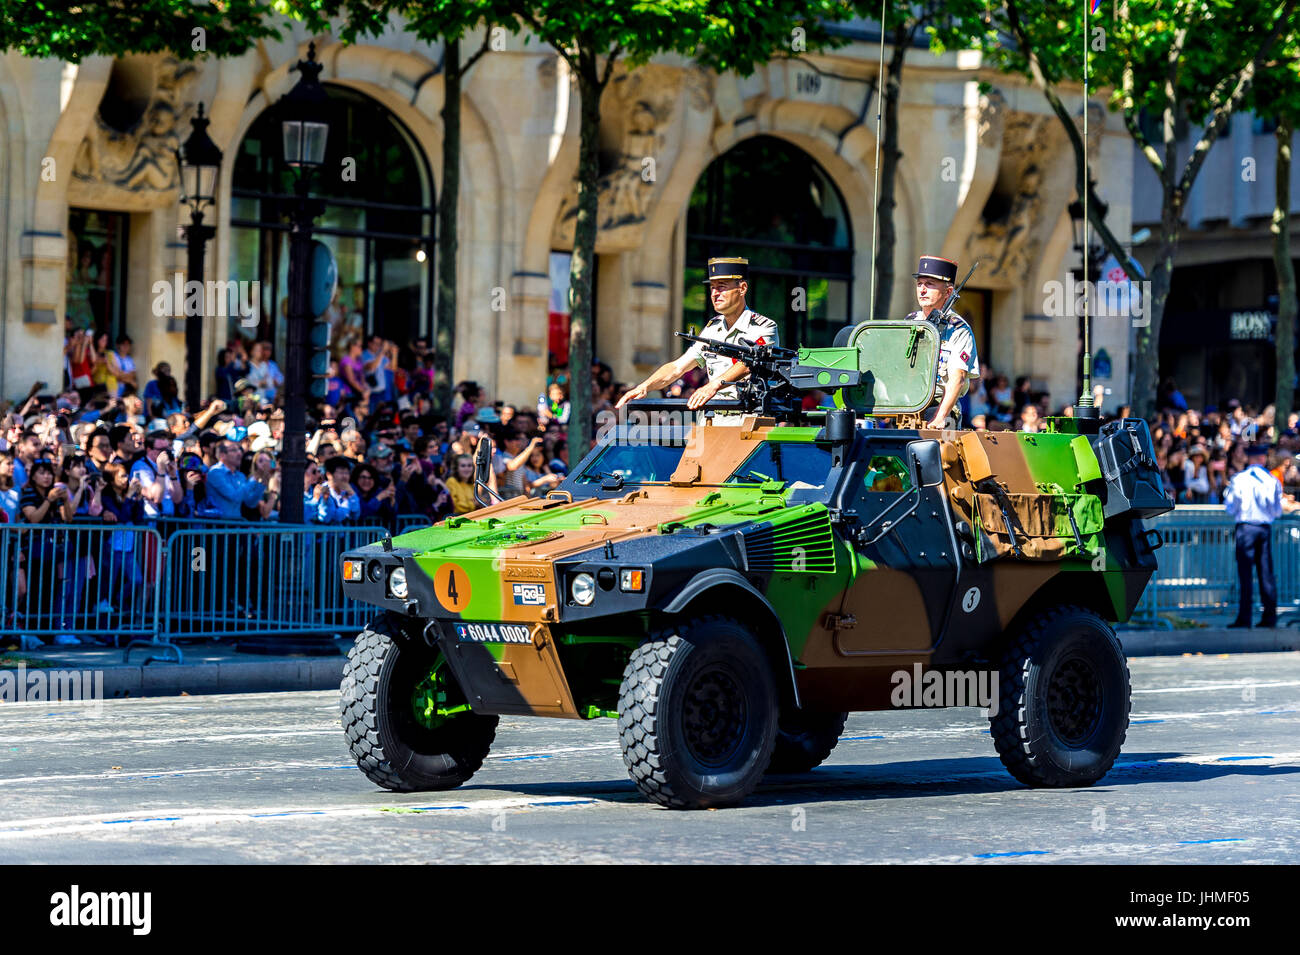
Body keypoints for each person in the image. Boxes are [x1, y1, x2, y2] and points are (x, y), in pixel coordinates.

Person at [617, 257, 779, 419]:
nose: (715, 294)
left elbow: (750, 363)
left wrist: (714, 385)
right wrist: (645, 386)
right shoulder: (712, 328)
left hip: (747, 419)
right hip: (712, 418)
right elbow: (677, 367)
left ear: (742, 288)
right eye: (712, 288)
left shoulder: (763, 327)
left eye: (721, 288)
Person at [906, 256, 979, 430]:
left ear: (948, 292)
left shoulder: (958, 328)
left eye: (930, 284)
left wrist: (940, 417)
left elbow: (958, 378)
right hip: (906, 408)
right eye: (919, 283)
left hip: (938, 408)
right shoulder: (909, 322)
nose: (922, 290)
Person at [1224, 444, 1283, 629]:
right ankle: (1269, 616)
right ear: (1263, 458)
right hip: (1264, 528)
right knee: (1266, 574)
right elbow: (1277, 510)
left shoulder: (1239, 479)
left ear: (1249, 458)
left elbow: (1231, 506)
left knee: (1245, 575)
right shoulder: (1271, 480)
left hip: (1246, 528)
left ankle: (1244, 618)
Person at [204, 441, 270, 519]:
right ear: (222, 455)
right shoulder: (215, 472)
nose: (239, 453)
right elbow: (234, 496)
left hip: (234, 526)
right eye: (234, 450)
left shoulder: (240, 476)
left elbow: (250, 503)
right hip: (218, 526)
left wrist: (262, 483)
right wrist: (254, 477)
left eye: (239, 450)